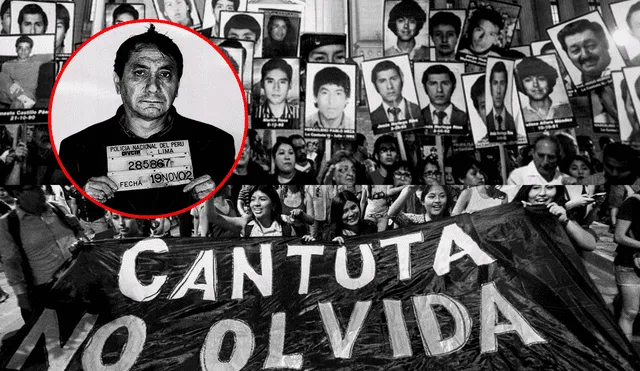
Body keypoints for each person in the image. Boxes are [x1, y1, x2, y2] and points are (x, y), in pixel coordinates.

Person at [58, 25, 235, 215]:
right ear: (118, 82)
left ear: (177, 86)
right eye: (140, 73)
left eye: (165, 74)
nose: (153, 87)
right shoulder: (76, 149)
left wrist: (214, 200)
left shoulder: (217, 145)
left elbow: (231, 214)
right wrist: (84, 197)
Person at [0, 185, 85, 320]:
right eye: (33, 188)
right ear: (17, 193)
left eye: (40, 186)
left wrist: (79, 229)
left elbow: (80, 237)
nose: (41, 191)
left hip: (81, 281)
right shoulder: (8, 224)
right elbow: (11, 263)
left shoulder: (57, 208)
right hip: (49, 292)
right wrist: (22, 298)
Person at [513, 185, 596, 252]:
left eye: (549, 187)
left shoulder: (559, 213)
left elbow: (590, 245)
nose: (542, 193)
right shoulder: (515, 211)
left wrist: (565, 221)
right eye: (535, 188)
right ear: (526, 191)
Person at [206, 185, 294, 237]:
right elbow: (213, 217)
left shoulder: (286, 227)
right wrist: (208, 192)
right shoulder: (245, 225)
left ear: (273, 205)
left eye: (262, 199)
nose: (256, 204)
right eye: (253, 199)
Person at [613, 189, 640, 340]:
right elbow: (619, 236)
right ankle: (627, 356)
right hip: (629, 264)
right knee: (630, 312)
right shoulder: (633, 202)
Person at [0, 35, 52, 109]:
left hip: (28, 95)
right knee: (1, 76)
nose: (23, 51)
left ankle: (22, 99)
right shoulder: (7, 64)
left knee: (18, 104)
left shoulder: (36, 59)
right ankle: (20, 97)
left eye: (26, 48)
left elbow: (54, 54)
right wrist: (13, 84)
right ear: (16, 49)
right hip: (10, 94)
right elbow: (4, 84)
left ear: (30, 50)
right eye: (20, 48)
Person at [515, 57, 572, 122]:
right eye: (528, 80)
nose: (535, 85)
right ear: (521, 84)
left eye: (541, 78)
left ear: (549, 81)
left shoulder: (568, 109)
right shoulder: (520, 116)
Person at [557, 19, 613, 85]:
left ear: (605, 43)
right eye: (575, 50)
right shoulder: (568, 87)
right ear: (568, 55)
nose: (585, 55)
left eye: (590, 45)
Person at [369, 60, 423, 126]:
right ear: (375, 86)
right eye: (382, 81)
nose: (389, 86)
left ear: (402, 80)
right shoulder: (372, 118)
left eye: (394, 79)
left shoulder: (418, 111)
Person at [420, 64, 467, 130]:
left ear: (454, 86)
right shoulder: (417, 117)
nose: (439, 89)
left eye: (445, 83)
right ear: (424, 87)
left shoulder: (466, 118)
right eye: (433, 84)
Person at [486, 61, 516, 137]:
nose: (498, 91)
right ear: (490, 86)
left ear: (506, 86)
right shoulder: (483, 121)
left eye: (502, 83)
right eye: (495, 83)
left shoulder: (514, 121)